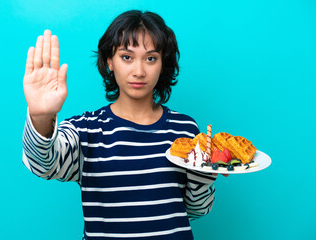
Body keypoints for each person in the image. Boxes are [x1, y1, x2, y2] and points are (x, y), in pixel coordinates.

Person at [22, 10, 219, 240]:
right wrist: (40, 115)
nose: (139, 71)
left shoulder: (184, 130)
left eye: (151, 58)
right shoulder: (87, 130)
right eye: (127, 57)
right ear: (109, 61)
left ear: (162, 63)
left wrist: (202, 181)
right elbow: (42, 163)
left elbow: (196, 210)